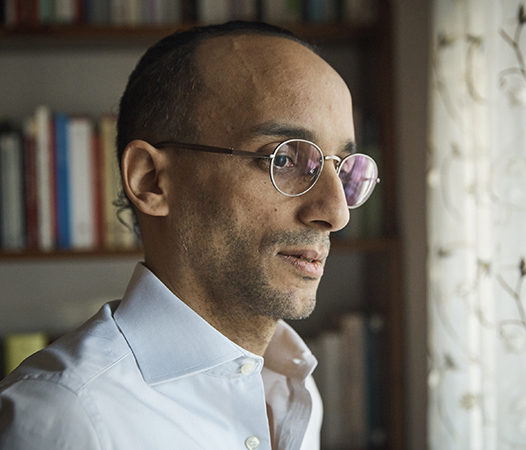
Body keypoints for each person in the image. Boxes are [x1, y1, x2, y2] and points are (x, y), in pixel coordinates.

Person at [0, 21, 379, 450]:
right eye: (284, 158)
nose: (337, 213)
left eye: (344, 169)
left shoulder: (295, 386)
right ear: (151, 180)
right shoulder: (62, 417)